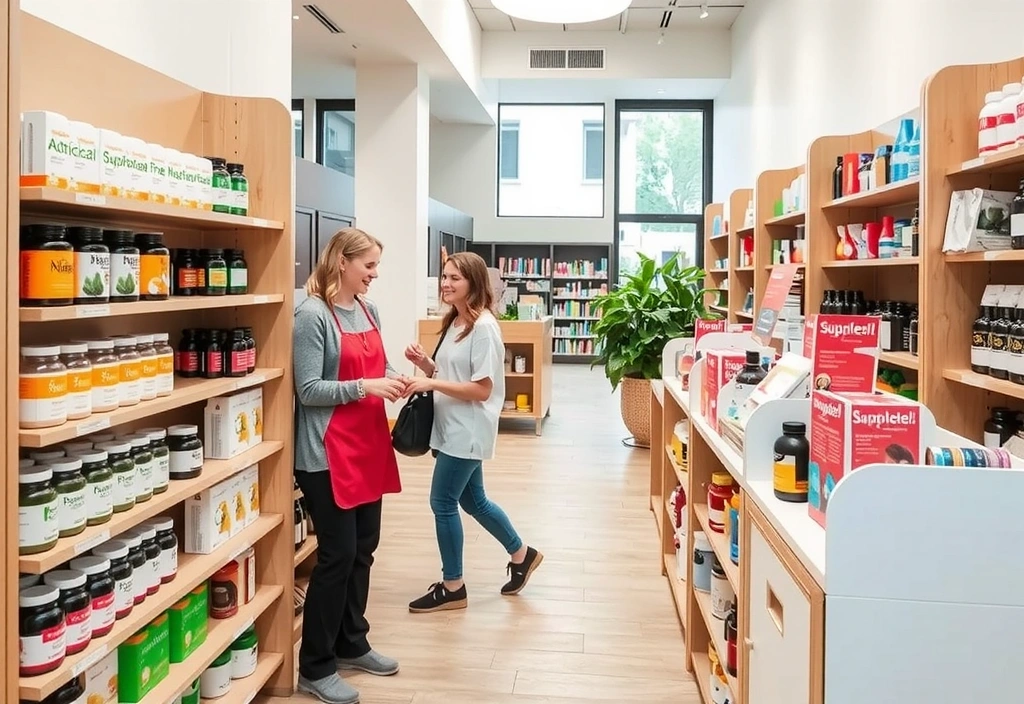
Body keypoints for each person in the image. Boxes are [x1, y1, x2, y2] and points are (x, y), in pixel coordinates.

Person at [293, 227, 406, 704]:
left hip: (368, 446)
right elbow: (308, 390)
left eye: (377, 265)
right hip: (325, 454)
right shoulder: (311, 315)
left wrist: (399, 379)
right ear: (342, 261)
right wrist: (365, 387)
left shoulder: (367, 309)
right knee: (336, 556)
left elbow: (378, 370)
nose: (374, 274)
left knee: (363, 549)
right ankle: (315, 667)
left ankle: (351, 643)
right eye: (369, 265)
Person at [402, 251, 543, 613]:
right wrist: (426, 365)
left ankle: (453, 586)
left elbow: (482, 389)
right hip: (452, 426)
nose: (446, 284)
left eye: (455, 278)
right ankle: (522, 555)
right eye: (444, 276)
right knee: (473, 501)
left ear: (474, 283)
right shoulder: (456, 320)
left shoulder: (484, 328)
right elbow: (452, 372)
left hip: (468, 430)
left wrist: (430, 384)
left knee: (442, 502)